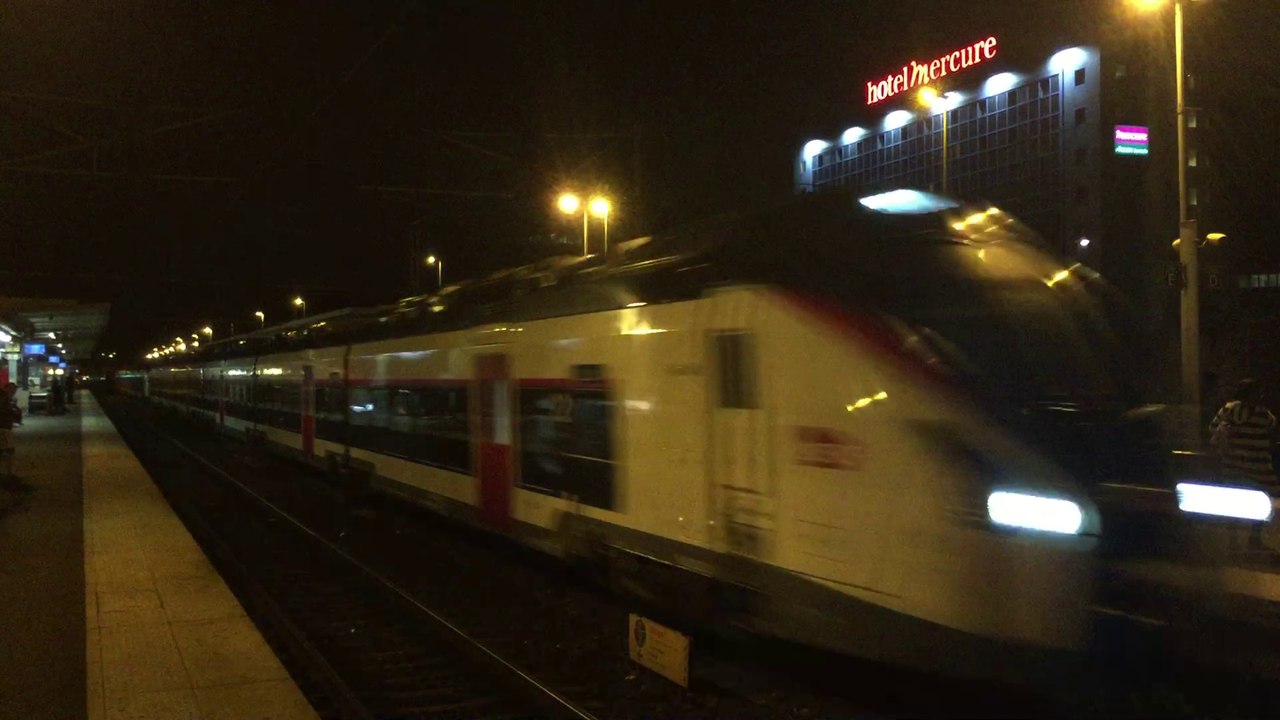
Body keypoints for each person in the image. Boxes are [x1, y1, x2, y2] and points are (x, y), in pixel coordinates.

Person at [1209, 379, 1278, 549]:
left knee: (1233, 502)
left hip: (1232, 465)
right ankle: (1254, 538)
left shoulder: (1227, 410)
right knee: (1264, 502)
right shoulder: (1263, 414)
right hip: (1258, 467)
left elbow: (1212, 428)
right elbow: (1272, 427)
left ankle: (1233, 542)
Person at [0, 383, 18, 486]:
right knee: (9, 450)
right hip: (4, 427)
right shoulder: (4, 398)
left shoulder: (3, 397)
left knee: (4, 450)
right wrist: (12, 411)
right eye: (12, 391)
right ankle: (8, 474)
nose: (13, 393)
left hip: (4, 426)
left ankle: (7, 473)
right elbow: (4, 410)